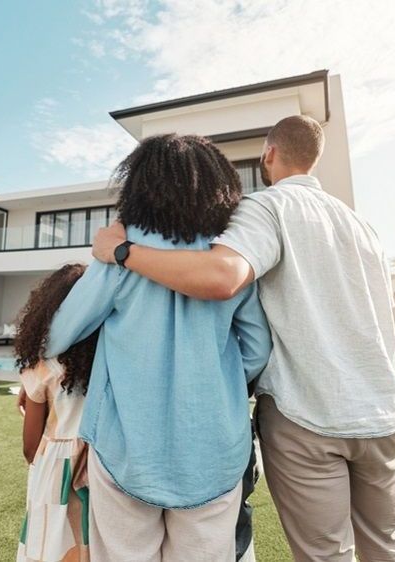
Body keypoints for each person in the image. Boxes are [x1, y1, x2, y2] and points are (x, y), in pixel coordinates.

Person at [91, 115, 395, 561]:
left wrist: (120, 251)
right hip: (383, 414)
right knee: (389, 549)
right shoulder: (361, 225)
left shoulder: (266, 206)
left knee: (328, 555)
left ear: (269, 154)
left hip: (310, 413)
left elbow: (223, 276)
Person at [44, 134, 272, 562]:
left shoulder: (119, 256)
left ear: (138, 184)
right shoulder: (226, 256)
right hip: (215, 450)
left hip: (125, 446)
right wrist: (216, 379)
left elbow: (58, 334)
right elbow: (257, 348)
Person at [15, 264, 98, 562]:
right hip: (102, 462)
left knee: (49, 544)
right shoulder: (110, 355)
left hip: (55, 466)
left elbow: (30, 447)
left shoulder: (43, 365)